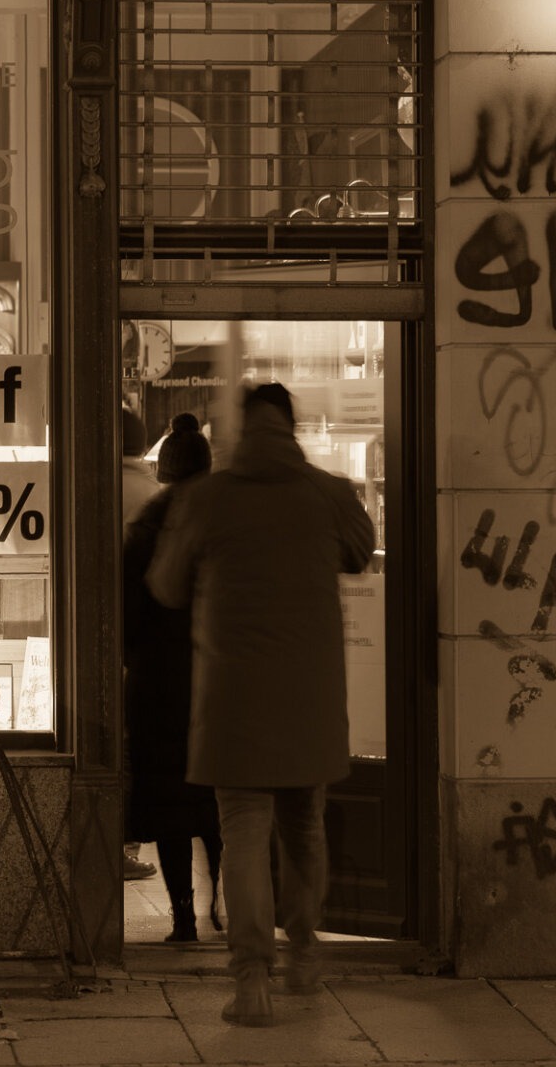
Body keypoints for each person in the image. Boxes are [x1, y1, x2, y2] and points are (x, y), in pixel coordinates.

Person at [147, 383, 374, 1026]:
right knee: (304, 831)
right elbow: (362, 552)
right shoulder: (330, 494)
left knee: (243, 834)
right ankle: (303, 953)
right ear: (291, 427)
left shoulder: (206, 498)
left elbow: (165, 585)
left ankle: (252, 983)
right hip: (309, 700)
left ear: (242, 430)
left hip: (233, 702)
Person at [123, 413, 223, 944]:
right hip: (215, 678)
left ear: (163, 470)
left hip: (158, 686)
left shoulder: (149, 523)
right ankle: (222, 902)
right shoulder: (226, 521)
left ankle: (183, 916)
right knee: (218, 801)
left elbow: (126, 615)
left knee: (169, 808)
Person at [119, 404, 160, 883]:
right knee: (131, 747)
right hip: (141, 643)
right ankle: (124, 846)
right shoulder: (153, 496)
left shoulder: (86, 484)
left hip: (95, 635)